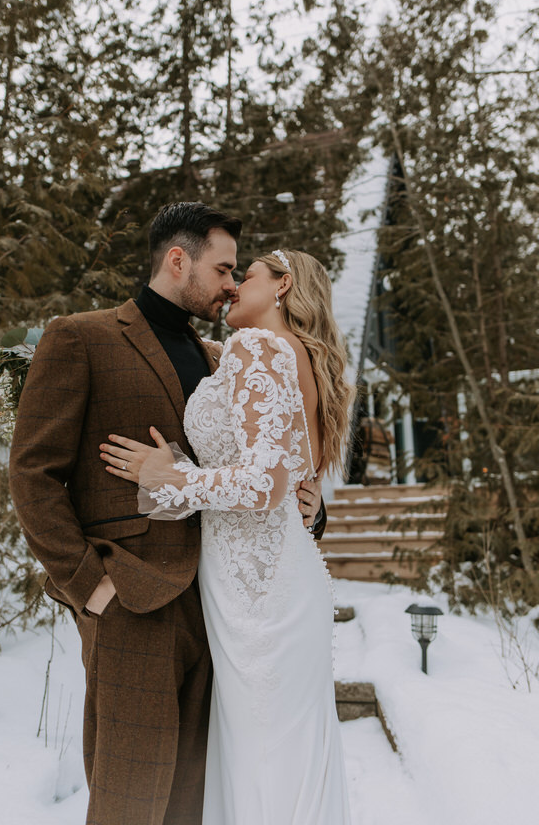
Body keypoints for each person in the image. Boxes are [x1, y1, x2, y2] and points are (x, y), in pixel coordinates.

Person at [9, 203, 324, 825]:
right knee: (131, 795)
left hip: (220, 606)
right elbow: (33, 474)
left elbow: (261, 460)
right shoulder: (82, 335)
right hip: (130, 598)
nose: (234, 285)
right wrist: (88, 586)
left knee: (195, 798)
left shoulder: (220, 358)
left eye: (240, 272)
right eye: (225, 268)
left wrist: (308, 506)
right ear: (178, 260)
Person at [100, 248, 354, 825]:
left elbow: (265, 482)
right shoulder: (292, 357)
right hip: (275, 572)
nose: (235, 285)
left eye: (250, 274)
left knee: (261, 754)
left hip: (256, 591)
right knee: (278, 754)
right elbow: (289, 476)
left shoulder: (258, 348)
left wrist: (172, 477)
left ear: (283, 285)